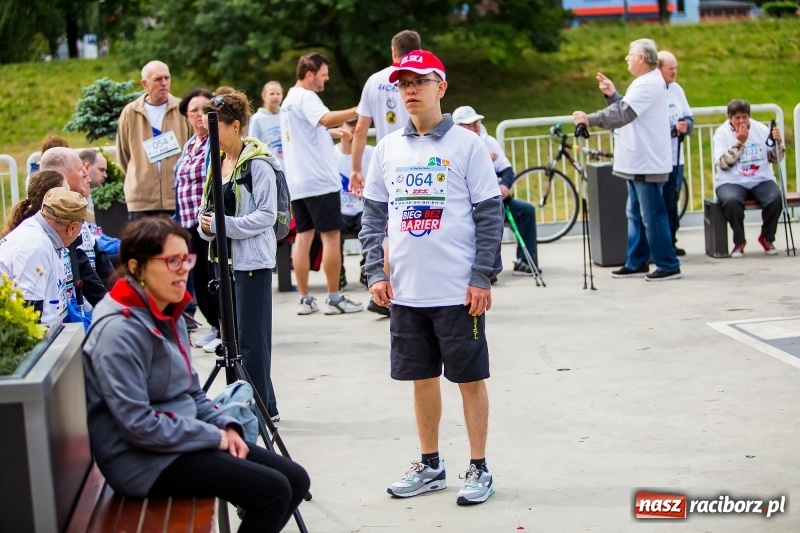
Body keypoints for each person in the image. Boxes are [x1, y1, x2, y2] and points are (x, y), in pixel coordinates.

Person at [82, 216, 309, 532]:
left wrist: (225, 425)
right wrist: (213, 436)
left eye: (186, 259)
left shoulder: (167, 307)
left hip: (177, 439)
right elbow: (138, 424)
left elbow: (191, 392)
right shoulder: (116, 331)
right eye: (171, 261)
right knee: (273, 491)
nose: (184, 270)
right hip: (141, 461)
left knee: (295, 480)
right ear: (136, 267)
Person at [360, 50, 503, 505]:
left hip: (459, 292)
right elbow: (372, 217)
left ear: (441, 87)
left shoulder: (467, 144)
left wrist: (482, 276)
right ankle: (430, 465)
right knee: (421, 378)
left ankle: (478, 467)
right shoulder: (387, 148)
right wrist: (374, 271)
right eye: (403, 83)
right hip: (406, 292)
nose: (410, 90)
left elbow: (490, 214)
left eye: (419, 81)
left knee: (468, 379)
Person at [198, 90, 283, 422]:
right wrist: (207, 226)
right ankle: (256, 404)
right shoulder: (217, 162)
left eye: (216, 127)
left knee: (251, 342)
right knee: (233, 341)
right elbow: (209, 209)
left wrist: (224, 225)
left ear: (235, 126)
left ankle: (259, 411)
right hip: (223, 263)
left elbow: (266, 215)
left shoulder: (258, 163)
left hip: (252, 264)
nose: (210, 134)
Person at [573, 38, 680, 281]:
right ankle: (637, 262)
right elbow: (628, 108)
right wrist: (613, 95)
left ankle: (668, 264)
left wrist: (590, 118)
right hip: (637, 161)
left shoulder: (649, 83)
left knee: (652, 216)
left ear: (641, 58)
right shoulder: (645, 82)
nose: (627, 58)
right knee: (636, 214)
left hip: (646, 161)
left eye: (630, 54)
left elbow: (624, 113)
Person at [280, 52, 363, 315]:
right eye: (323, 75)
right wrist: (361, 109)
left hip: (298, 182)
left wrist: (331, 132)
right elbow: (325, 118)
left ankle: (305, 299)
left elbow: (308, 129)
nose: (326, 79)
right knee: (330, 238)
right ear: (310, 74)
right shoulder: (307, 96)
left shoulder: (288, 100)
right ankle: (334, 298)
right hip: (320, 181)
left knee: (303, 237)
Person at [350, 30, 421, 315]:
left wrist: (356, 168)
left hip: (387, 160)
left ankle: (383, 286)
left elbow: (360, 128)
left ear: (393, 51)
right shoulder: (422, 78)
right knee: (413, 224)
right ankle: (398, 288)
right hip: (418, 158)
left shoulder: (375, 80)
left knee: (389, 225)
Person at [452, 105, 539, 275]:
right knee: (486, 219)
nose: (475, 127)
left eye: (477, 123)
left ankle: (525, 262)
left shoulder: (489, 141)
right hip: (467, 204)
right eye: (470, 124)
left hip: (496, 199)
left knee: (526, 210)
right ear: (458, 126)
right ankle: (485, 268)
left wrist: (504, 186)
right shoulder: (453, 146)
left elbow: (506, 169)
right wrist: (485, 158)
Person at [0, 188, 94, 326]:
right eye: (81, 225)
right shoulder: (36, 248)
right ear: (72, 228)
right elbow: (28, 316)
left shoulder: (43, 236)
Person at [116, 60, 192, 220]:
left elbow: (193, 146)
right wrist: (140, 174)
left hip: (177, 196)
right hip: (142, 200)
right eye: (158, 79)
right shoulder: (130, 112)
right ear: (145, 83)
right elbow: (124, 154)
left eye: (167, 78)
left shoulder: (183, 110)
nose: (164, 83)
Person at [174, 87, 220, 350]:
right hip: (187, 221)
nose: (200, 115)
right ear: (187, 116)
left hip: (207, 221)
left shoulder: (215, 141)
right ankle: (214, 325)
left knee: (213, 275)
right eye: (194, 111)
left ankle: (225, 328)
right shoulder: (190, 144)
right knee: (199, 277)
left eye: (205, 109)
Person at [712, 99, 784, 257]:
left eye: (744, 117)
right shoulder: (721, 133)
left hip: (760, 178)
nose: (741, 121)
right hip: (731, 181)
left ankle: (767, 237)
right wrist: (739, 142)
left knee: (775, 197)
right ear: (730, 118)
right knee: (731, 201)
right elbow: (723, 164)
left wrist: (778, 143)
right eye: (737, 118)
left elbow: (775, 159)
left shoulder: (761, 129)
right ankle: (739, 241)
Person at [41, 147, 113, 303]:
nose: (87, 175)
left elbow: (99, 262)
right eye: (81, 170)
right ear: (63, 176)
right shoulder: (50, 223)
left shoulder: (76, 211)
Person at [657, 51, 693, 256]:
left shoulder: (677, 90)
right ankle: (658, 244)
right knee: (658, 203)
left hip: (675, 157)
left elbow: (689, 118)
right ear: (659, 69)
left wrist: (685, 126)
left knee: (672, 200)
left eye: (676, 68)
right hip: (657, 158)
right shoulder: (652, 91)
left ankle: (671, 240)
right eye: (670, 68)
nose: (674, 72)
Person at [334, 117, 371, 292]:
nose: (354, 128)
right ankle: (338, 274)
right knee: (331, 233)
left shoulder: (371, 152)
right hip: (339, 209)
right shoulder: (330, 154)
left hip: (364, 207)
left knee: (372, 228)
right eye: (350, 123)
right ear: (340, 127)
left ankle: (368, 270)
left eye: (357, 124)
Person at [249, 81, 284, 167]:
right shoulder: (257, 119)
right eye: (271, 94)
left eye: (278, 94)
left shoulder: (285, 115)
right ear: (264, 96)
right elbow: (252, 146)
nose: (275, 96)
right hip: (269, 166)